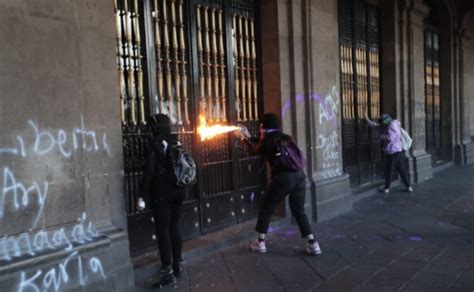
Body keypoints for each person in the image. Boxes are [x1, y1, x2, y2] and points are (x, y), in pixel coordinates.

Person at [235, 113, 322, 255]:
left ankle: (260, 243)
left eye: (261, 126)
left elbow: (254, 150)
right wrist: (249, 137)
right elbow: (264, 144)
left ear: (264, 126)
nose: (260, 129)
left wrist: (243, 139)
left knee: (267, 207)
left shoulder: (267, 141)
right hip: (300, 176)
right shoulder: (284, 137)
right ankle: (313, 243)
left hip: (283, 178)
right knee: (298, 210)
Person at [138, 114, 186, 289]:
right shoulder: (176, 141)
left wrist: (142, 195)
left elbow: (149, 172)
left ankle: (167, 273)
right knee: (174, 227)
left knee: (163, 232)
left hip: (162, 194)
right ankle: (177, 266)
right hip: (178, 191)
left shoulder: (155, 144)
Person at [366, 113, 413, 194]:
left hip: (393, 152)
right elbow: (378, 126)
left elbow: (390, 138)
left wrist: (380, 136)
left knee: (389, 170)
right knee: (401, 170)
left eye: (383, 122)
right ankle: (409, 187)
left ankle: (387, 188)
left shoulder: (392, 126)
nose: (382, 124)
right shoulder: (391, 124)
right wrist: (369, 121)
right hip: (397, 151)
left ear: (386, 121)